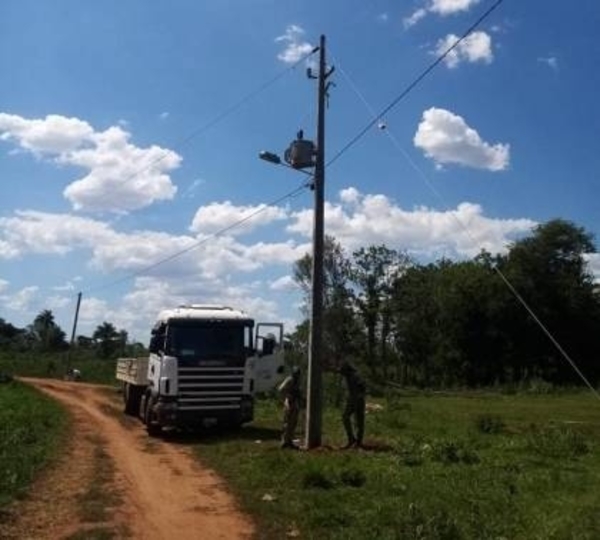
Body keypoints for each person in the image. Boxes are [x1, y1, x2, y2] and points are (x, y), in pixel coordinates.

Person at [340, 362, 366, 449]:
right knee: (358, 420)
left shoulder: (353, 377)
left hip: (355, 399)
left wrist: (357, 396)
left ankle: (353, 440)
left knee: (347, 417)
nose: (342, 375)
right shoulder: (353, 375)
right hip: (358, 399)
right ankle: (357, 442)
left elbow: (362, 387)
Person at [278, 366, 303, 449]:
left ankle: (290, 441)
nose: (297, 375)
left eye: (298, 374)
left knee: (293, 423)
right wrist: (286, 398)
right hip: (289, 403)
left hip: (295, 403)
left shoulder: (297, 381)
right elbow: (281, 389)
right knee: (287, 423)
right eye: (296, 373)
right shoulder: (290, 380)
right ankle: (284, 442)